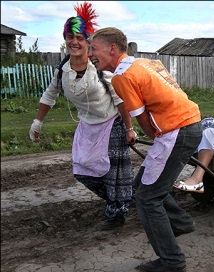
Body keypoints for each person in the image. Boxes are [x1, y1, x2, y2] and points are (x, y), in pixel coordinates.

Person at [88, 27, 203, 272]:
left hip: (176, 131)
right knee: (143, 187)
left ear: (112, 48)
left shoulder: (122, 77)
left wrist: (157, 140)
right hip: (188, 124)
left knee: (147, 198)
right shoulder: (145, 63)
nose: (89, 55)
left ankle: (172, 260)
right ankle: (181, 223)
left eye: (93, 49)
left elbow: (141, 119)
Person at [28, 2, 135, 231]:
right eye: (69, 36)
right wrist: (38, 122)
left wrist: (129, 129)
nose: (74, 42)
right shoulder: (63, 69)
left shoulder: (99, 67)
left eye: (79, 37)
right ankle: (125, 197)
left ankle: (116, 213)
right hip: (87, 125)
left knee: (111, 172)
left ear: (88, 41)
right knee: (82, 169)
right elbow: (49, 95)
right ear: (64, 38)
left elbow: (120, 100)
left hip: (112, 124)